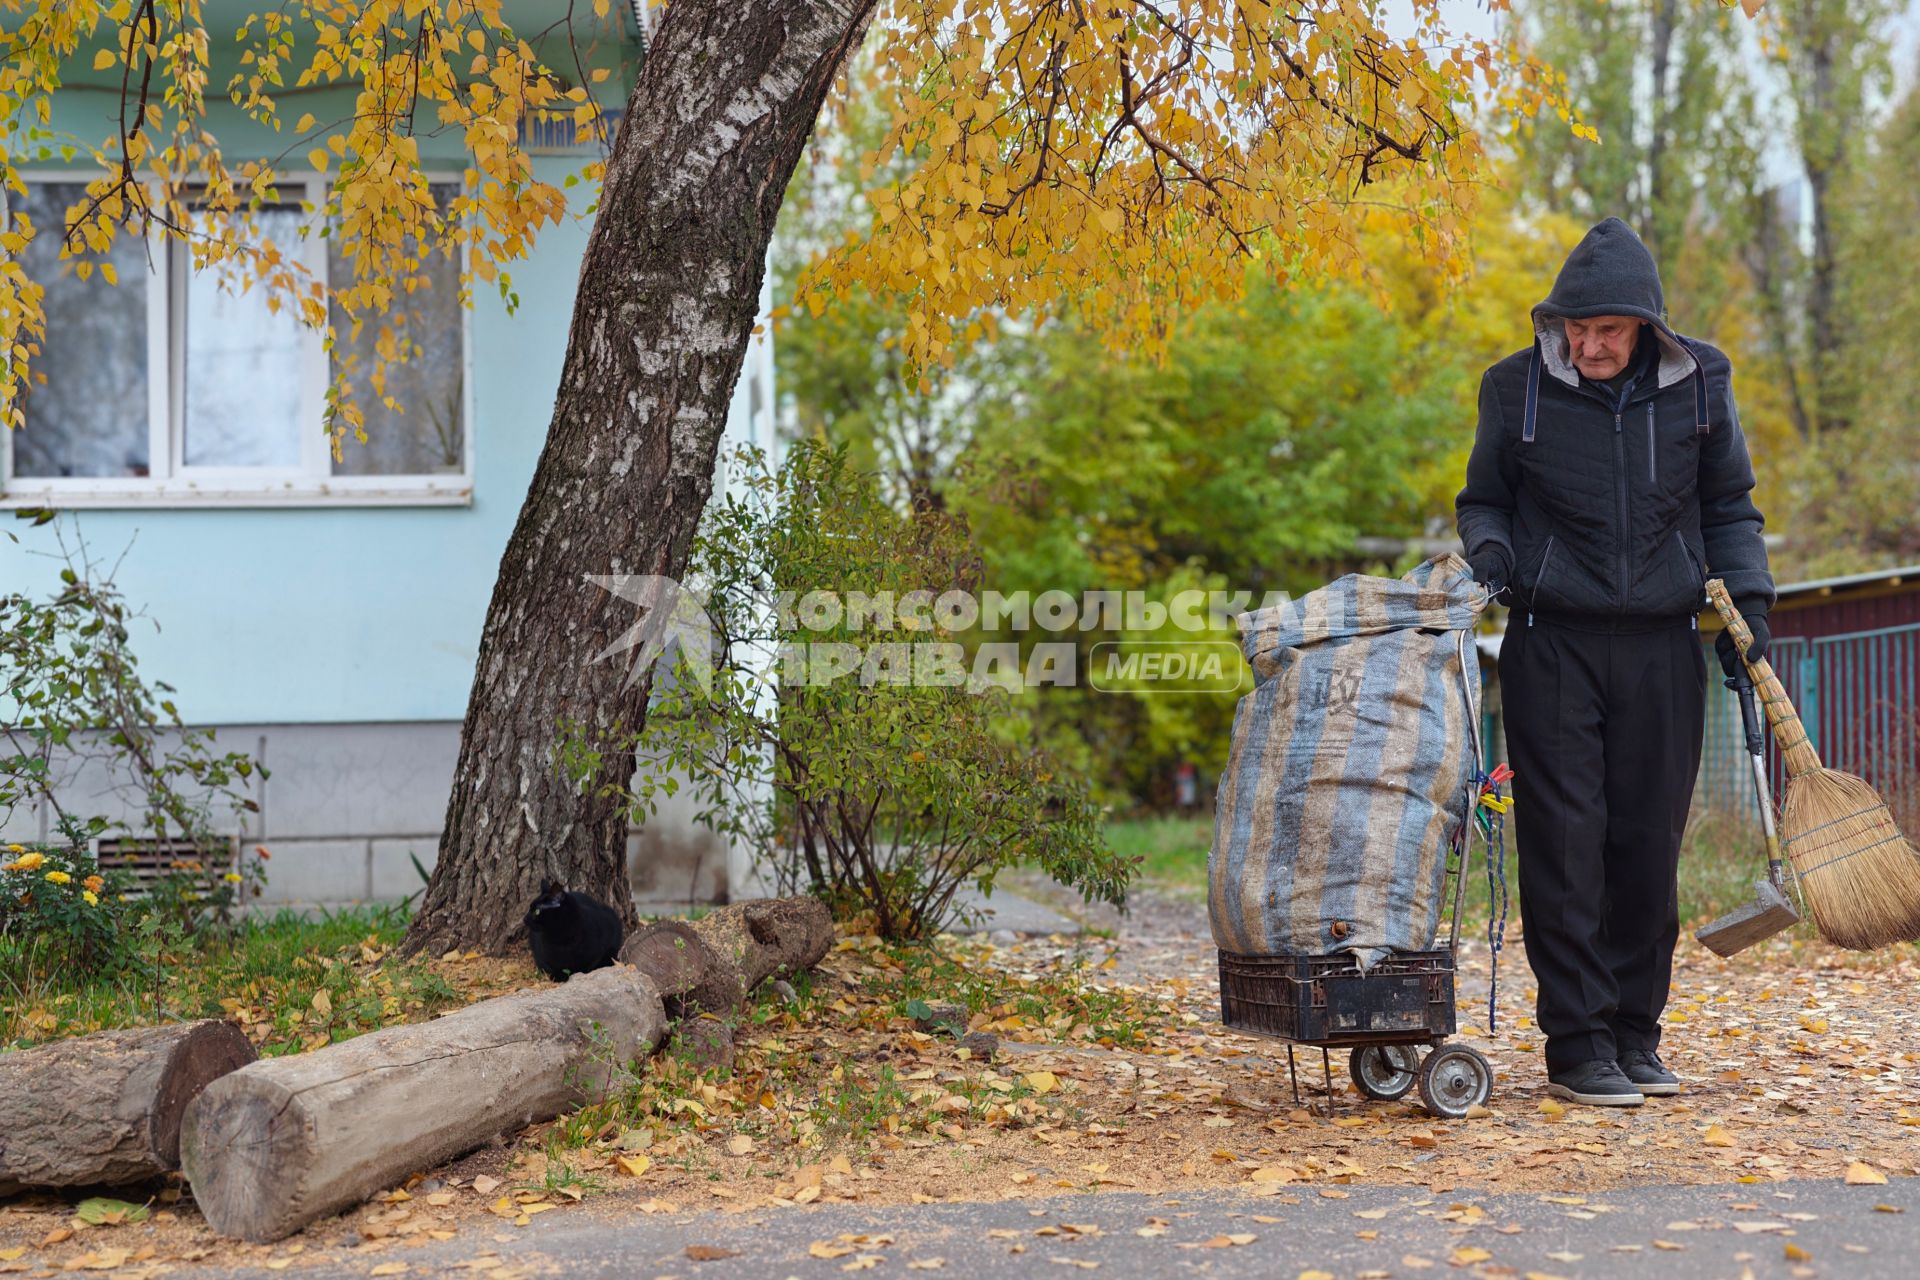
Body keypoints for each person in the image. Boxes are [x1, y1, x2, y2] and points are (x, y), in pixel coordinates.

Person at [1454, 217, 1775, 1107]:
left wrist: (1749, 611)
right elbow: (1483, 501)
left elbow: (1730, 509)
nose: (1588, 346)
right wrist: (1493, 555)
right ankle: (1578, 1046)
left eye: (1607, 330)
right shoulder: (1514, 388)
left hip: (1664, 647)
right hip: (1553, 642)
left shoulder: (1701, 383)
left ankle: (1635, 1036)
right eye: (1575, 329)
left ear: (1647, 327)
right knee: (1567, 847)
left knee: (1645, 846)